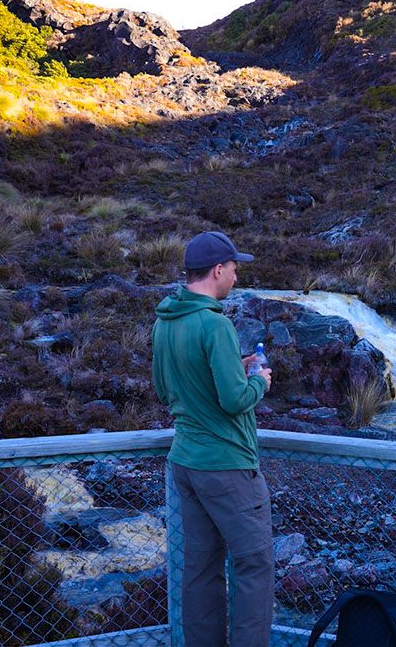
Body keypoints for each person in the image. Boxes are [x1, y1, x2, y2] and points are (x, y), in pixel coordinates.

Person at [151, 230, 274, 647]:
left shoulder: (166, 321)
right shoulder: (215, 323)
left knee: (201, 569)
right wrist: (258, 381)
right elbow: (235, 398)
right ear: (218, 270)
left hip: (185, 462)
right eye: (235, 270)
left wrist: (230, 367)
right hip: (227, 467)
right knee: (254, 565)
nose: (236, 279)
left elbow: (166, 389)